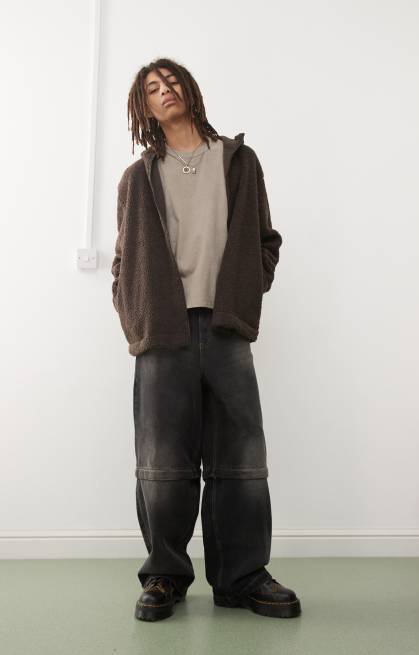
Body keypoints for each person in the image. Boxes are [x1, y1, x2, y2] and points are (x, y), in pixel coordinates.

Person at [111, 58, 301, 621]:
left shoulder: (238, 161)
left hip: (225, 327)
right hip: (162, 332)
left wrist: (246, 292)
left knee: (241, 460)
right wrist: (135, 312)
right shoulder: (138, 177)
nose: (164, 91)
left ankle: (243, 577)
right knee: (162, 464)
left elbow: (265, 240)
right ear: (145, 108)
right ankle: (165, 577)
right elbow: (124, 261)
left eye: (171, 82)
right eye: (152, 89)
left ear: (190, 90)